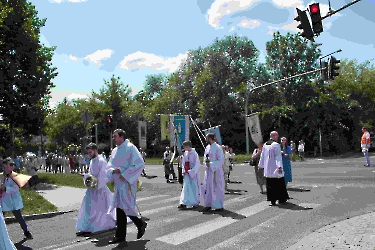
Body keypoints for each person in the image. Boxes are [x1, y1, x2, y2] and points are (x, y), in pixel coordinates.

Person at [106, 129, 147, 245]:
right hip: (118, 183)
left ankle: (140, 224)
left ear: (121, 137)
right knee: (120, 208)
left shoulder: (131, 148)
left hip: (127, 182)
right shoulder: (114, 151)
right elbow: (109, 165)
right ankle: (120, 235)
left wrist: (124, 172)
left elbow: (139, 163)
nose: (113, 138)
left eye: (115, 136)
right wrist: (112, 171)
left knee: (126, 207)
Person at [76, 143, 116, 236]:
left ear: (95, 150)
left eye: (90, 152)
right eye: (88, 152)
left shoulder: (102, 161)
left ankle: (98, 226)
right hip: (92, 188)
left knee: (99, 209)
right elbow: (91, 174)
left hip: (100, 189)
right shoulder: (92, 161)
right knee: (88, 208)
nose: (89, 154)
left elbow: (103, 176)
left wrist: (97, 184)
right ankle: (86, 227)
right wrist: (86, 176)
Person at [0, 158, 33, 239]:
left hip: (13, 200)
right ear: (5, 165)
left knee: (19, 218)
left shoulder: (15, 176)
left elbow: (16, 188)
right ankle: (2, 237)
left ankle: (26, 232)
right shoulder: (1, 176)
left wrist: (5, 189)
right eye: (10, 164)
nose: (12, 166)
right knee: (1, 218)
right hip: (4, 200)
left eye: (13, 164)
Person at [258, 131, 290, 206]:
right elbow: (278, 157)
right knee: (279, 184)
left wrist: (260, 166)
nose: (278, 137)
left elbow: (262, 156)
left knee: (269, 185)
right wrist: (279, 166)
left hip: (268, 169)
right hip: (275, 168)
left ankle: (272, 200)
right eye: (277, 135)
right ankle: (281, 199)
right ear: (274, 136)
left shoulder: (265, 144)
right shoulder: (276, 145)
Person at [202, 133, 225, 213]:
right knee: (208, 188)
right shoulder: (207, 148)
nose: (205, 140)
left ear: (210, 139)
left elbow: (221, 160)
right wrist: (206, 163)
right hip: (208, 172)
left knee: (217, 188)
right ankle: (208, 204)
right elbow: (205, 158)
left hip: (216, 171)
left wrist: (211, 164)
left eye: (206, 138)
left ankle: (218, 206)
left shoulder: (218, 148)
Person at [178, 141, 201, 210]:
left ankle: (194, 202)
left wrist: (191, 171)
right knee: (186, 188)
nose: (184, 148)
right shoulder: (185, 153)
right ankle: (184, 202)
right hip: (187, 174)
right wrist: (184, 171)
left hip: (193, 174)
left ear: (188, 146)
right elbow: (183, 163)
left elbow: (197, 164)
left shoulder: (194, 153)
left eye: (185, 146)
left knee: (193, 188)